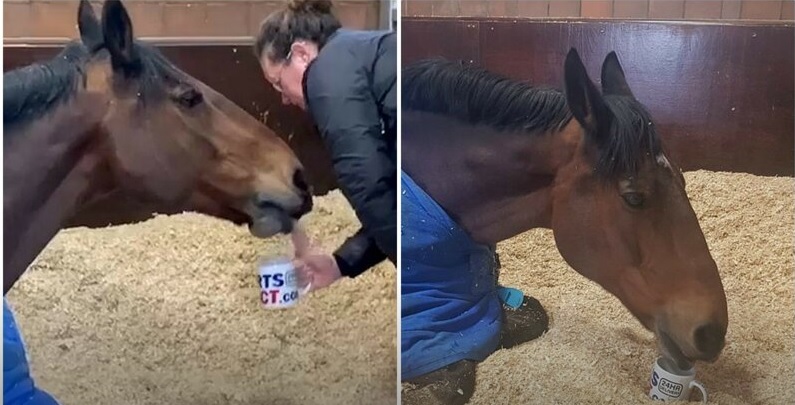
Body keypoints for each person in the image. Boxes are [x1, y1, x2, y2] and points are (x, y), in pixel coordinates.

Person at [253, 0, 397, 286]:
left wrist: (416, 271)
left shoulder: (327, 72)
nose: (283, 97)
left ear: (301, 54)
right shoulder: (361, 51)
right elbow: (394, 199)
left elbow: (368, 184)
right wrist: (341, 263)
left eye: (279, 82)